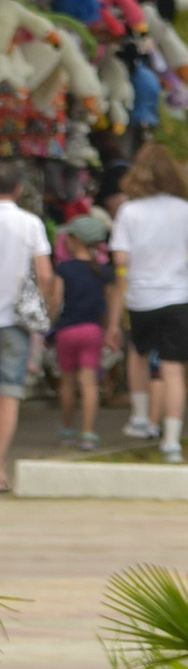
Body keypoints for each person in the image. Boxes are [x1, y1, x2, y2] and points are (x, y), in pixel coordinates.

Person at [104, 141, 188, 461]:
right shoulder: (183, 210)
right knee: (173, 370)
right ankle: (173, 441)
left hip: (141, 296)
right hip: (178, 295)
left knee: (138, 353)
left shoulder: (129, 212)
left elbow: (120, 257)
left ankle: (140, 418)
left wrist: (125, 279)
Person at [0, 163, 55, 489]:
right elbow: (45, 274)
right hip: (15, 321)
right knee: (8, 393)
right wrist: (43, 309)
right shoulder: (30, 223)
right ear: (18, 190)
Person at [49, 207, 110, 449]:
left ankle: (66, 429)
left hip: (67, 331)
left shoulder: (64, 269)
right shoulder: (103, 272)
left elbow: (55, 301)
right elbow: (109, 303)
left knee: (68, 382)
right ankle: (88, 433)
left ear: (74, 240)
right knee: (89, 382)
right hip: (93, 331)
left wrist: (48, 322)